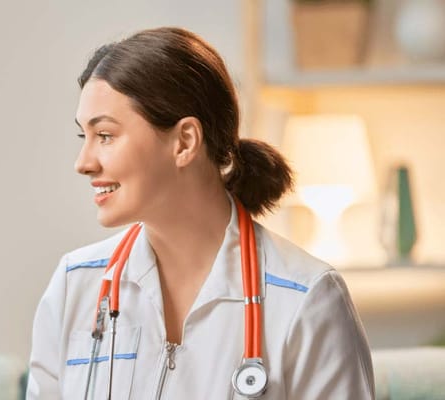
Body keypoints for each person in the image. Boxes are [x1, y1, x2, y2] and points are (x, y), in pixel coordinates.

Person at [26, 27, 374, 399]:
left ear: (185, 142)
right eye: (85, 137)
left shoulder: (306, 298)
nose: (84, 163)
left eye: (106, 136)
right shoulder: (74, 286)